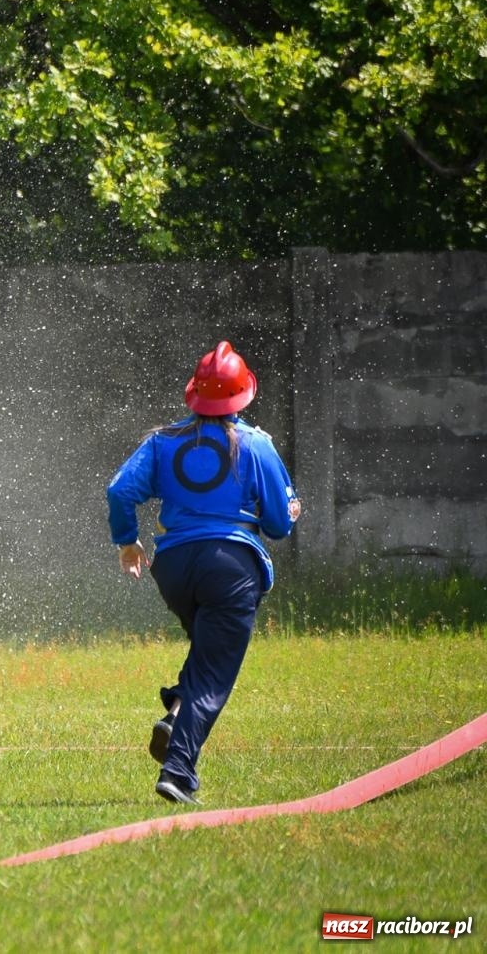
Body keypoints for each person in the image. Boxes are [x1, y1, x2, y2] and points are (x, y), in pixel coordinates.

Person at [105, 341, 302, 806]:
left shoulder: (163, 441)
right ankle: (178, 772)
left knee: (208, 652)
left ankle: (176, 711)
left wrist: (128, 542)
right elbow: (276, 524)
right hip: (230, 567)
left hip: (173, 568)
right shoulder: (257, 445)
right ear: (243, 396)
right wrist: (291, 510)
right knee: (215, 673)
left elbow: (119, 491)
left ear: (194, 395)